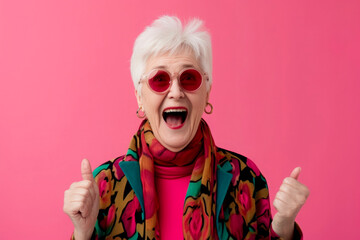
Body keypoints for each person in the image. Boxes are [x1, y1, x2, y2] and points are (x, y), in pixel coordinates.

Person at [63, 16, 309, 240]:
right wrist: (82, 234)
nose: (176, 92)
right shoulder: (105, 184)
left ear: (207, 92)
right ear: (139, 96)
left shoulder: (244, 178)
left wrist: (285, 228)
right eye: (160, 79)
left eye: (189, 78)